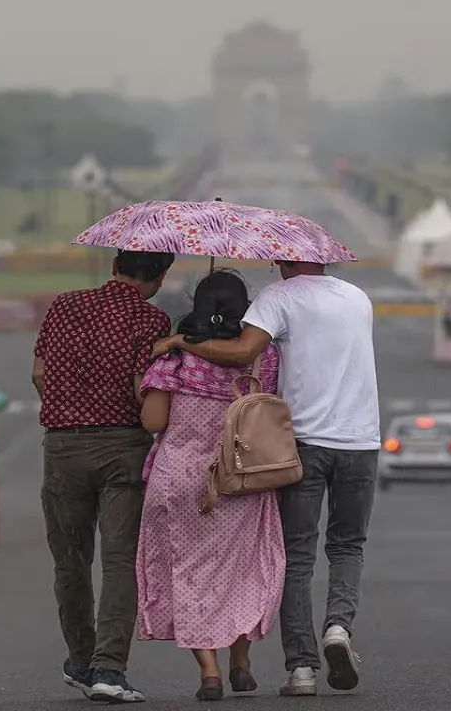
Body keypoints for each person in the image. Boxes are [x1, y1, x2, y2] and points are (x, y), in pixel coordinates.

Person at [153, 259, 380, 697]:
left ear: (286, 259)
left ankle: (302, 669)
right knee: (347, 545)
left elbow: (241, 352)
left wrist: (182, 339)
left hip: (303, 443)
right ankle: (338, 627)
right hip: (361, 440)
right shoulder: (357, 298)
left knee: (296, 554)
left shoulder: (280, 297)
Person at [32, 249, 176, 704]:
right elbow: (141, 391)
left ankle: (80, 657)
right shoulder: (152, 320)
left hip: (63, 447)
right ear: (160, 277)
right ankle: (109, 670)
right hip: (122, 450)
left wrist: (72, 401)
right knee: (119, 561)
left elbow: (38, 373)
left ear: (115, 265)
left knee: (70, 560)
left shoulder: (65, 305)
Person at [135, 270, 286, 702]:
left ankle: (210, 672)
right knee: (242, 572)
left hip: (181, 481)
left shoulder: (174, 360)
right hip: (243, 479)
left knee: (189, 575)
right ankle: (242, 661)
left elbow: (154, 422)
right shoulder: (266, 358)